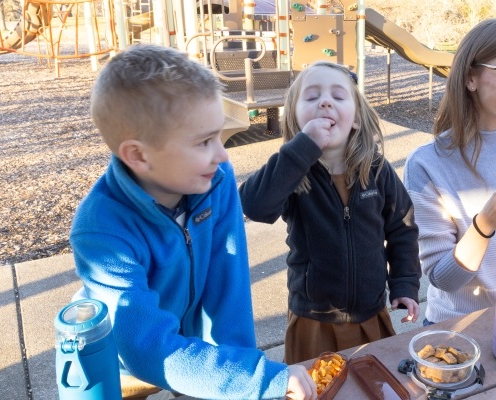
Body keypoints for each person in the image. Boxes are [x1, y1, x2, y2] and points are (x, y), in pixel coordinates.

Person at [70, 44, 315, 400]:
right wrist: (259, 381)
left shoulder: (215, 179)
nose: (222, 154)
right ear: (138, 155)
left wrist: (246, 374)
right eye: (203, 142)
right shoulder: (101, 230)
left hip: (193, 348)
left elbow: (227, 284)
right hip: (123, 358)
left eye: (219, 135)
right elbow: (146, 347)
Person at [239, 61, 421, 363]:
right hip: (313, 320)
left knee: (374, 385)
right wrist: (301, 150)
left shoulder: (376, 170)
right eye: (311, 98)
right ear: (296, 121)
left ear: (356, 119)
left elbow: (402, 228)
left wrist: (404, 284)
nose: (325, 102)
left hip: (370, 314)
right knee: (315, 389)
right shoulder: (293, 172)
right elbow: (254, 205)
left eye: (338, 96)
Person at [403, 19, 496, 325]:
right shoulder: (426, 165)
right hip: (460, 327)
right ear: (471, 77)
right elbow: (442, 278)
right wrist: (484, 224)